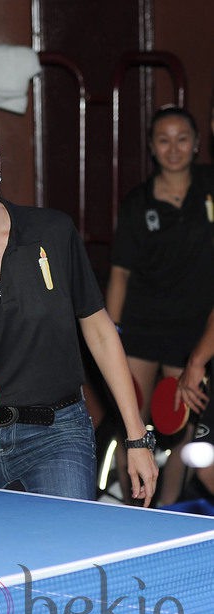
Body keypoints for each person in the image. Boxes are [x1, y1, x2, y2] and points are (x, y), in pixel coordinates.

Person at [0, 104, 157, 503]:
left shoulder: (52, 232)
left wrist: (137, 436)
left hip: (58, 433)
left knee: (65, 556)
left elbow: (101, 332)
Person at [105, 106, 214, 505]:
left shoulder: (209, 187)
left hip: (194, 331)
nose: (174, 148)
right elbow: (119, 274)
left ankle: (167, 509)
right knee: (129, 422)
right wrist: (112, 334)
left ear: (197, 143)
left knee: (184, 427)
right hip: (141, 327)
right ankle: (135, 505)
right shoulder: (138, 202)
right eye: (164, 140)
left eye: (182, 138)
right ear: (152, 147)